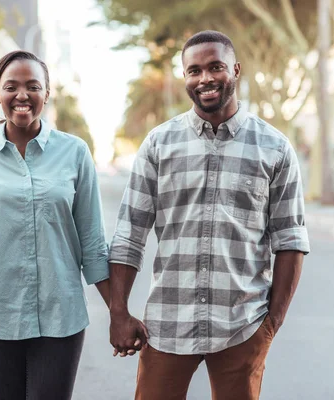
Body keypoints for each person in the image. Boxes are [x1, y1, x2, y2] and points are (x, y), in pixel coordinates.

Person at [108, 31, 310, 400]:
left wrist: (272, 324)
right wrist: (118, 313)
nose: (205, 79)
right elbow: (129, 235)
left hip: (242, 325)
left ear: (235, 69)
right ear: (185, 77)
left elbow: (291, 240)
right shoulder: (158, 144)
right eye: (194, 71)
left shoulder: (275, 148)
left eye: (215, 67)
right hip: (167, 325)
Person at [0, 50, 110, 400]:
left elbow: (93, 243)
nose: (22, 95)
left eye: (33, 86)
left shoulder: (75, 153)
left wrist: (120, 314)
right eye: (11, 87)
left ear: (46, 94)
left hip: (61, 319)